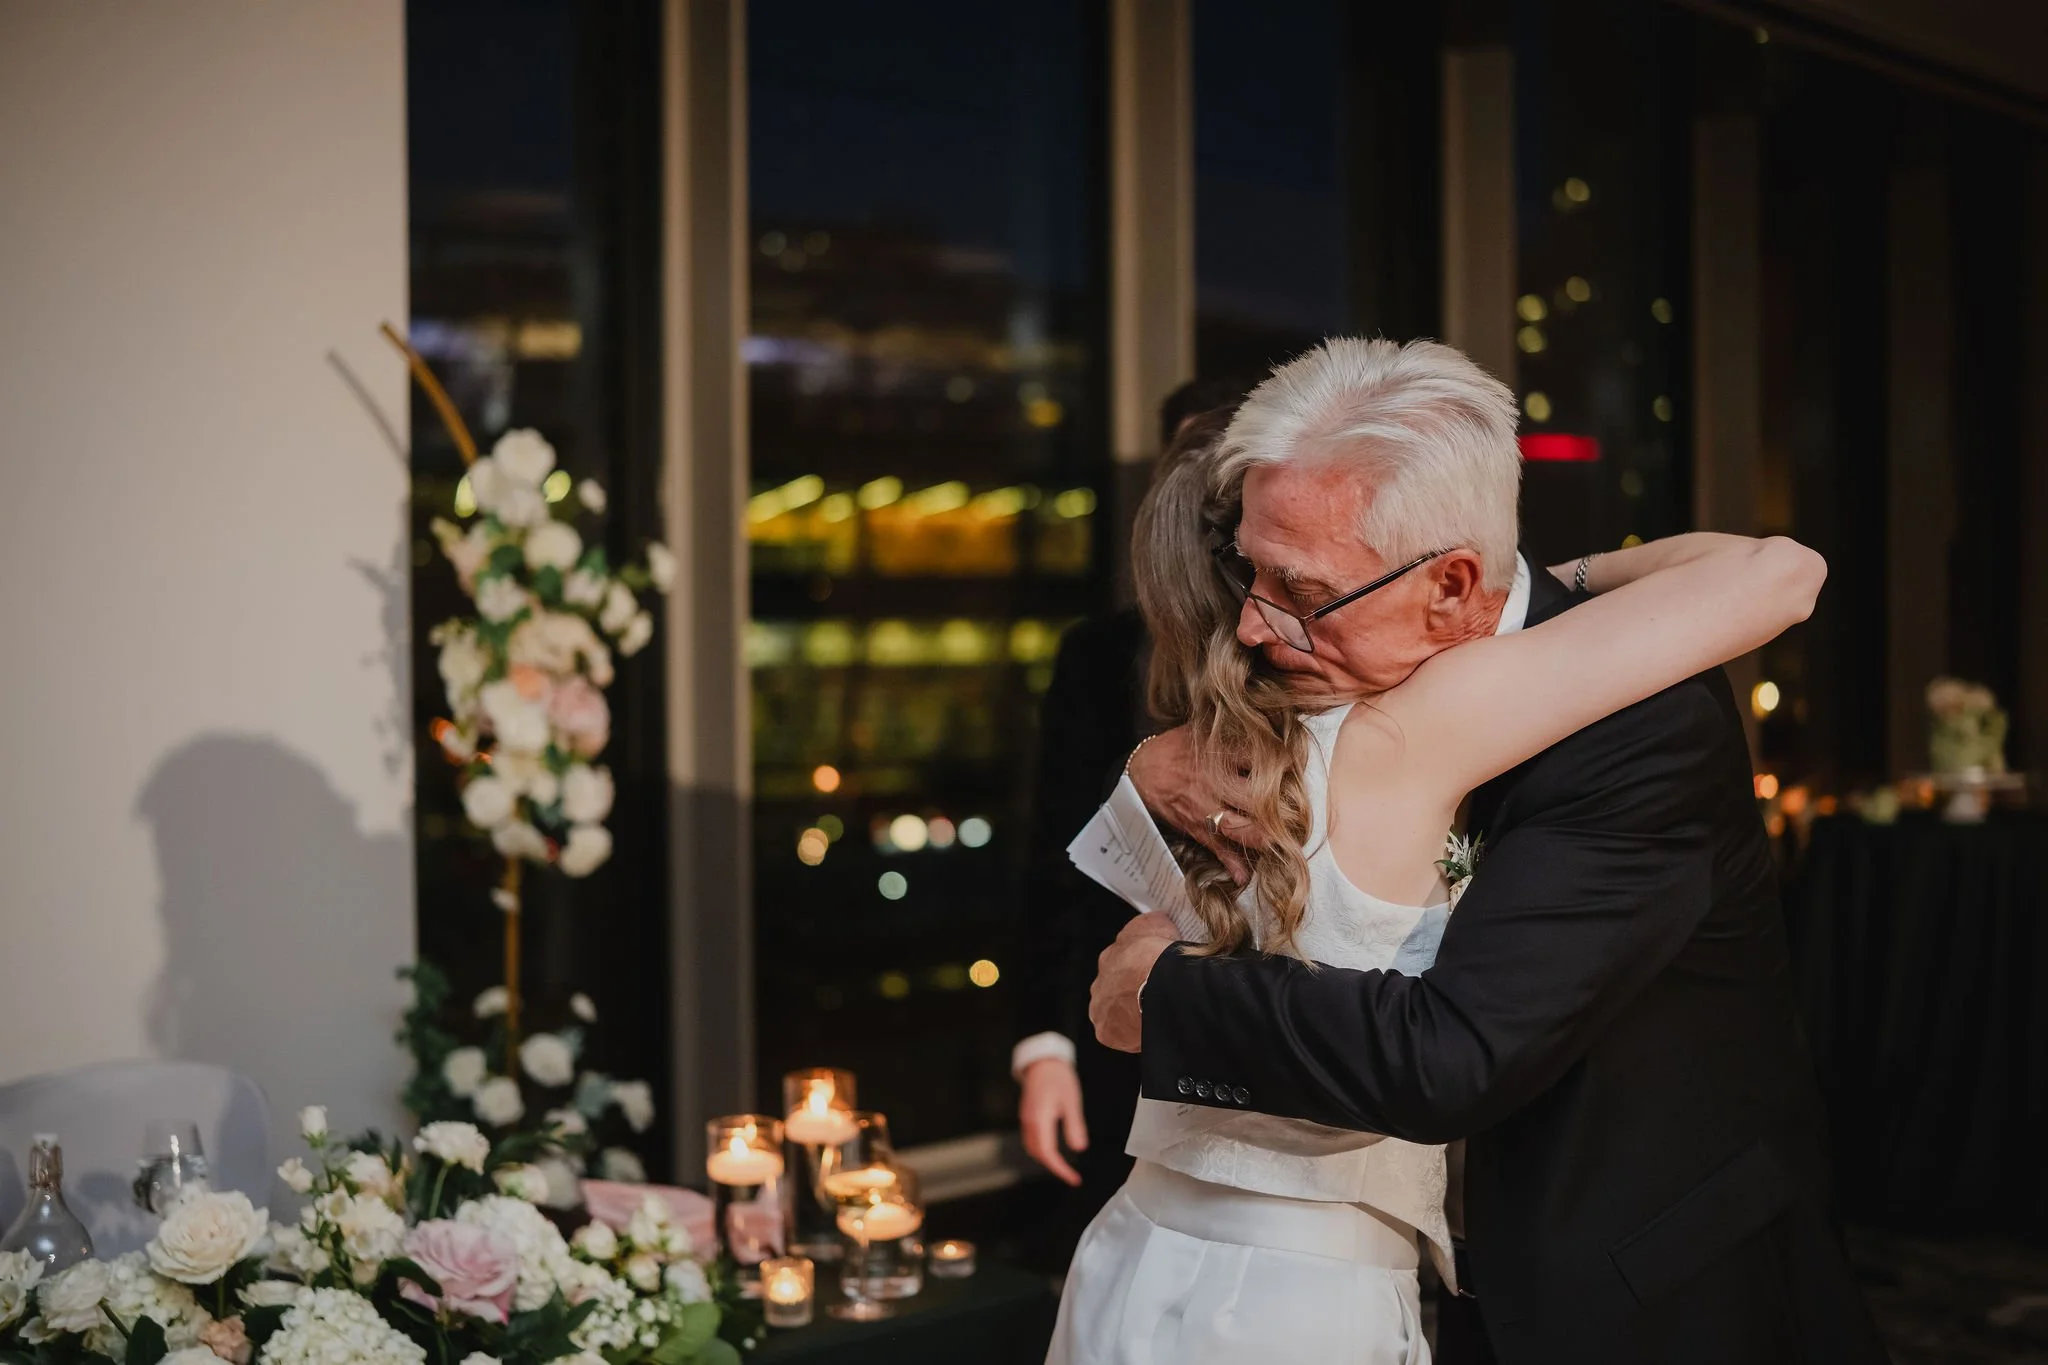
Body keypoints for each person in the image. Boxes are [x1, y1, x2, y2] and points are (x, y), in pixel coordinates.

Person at [1068, 338, 1887, 1363]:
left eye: (1297, 586)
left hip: (1623, 1283)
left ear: (1453, 583)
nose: (1256, 622)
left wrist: (1166, 997)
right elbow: (1771, 569)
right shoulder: (1273, 723)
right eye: (1248, 571)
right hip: (1388, 1283)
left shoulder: (1637, 721)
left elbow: (1452, 1053)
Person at [1012, 378, 1249, 1265]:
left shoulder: (1314, 649)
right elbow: (1055, 859)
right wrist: (1043, 1044)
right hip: (1127, 1023)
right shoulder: (1101, 653)